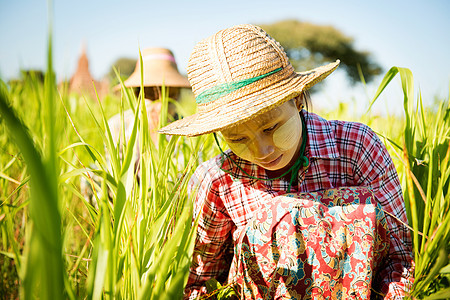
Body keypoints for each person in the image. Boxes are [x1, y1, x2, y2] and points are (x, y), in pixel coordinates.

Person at [158, 24, 413, 299]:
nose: (262, 150)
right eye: (238, 139)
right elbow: (199, 282)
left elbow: (400, 259)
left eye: (271, 128)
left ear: (297, 99)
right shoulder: (217, 181)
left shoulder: (356, 148)